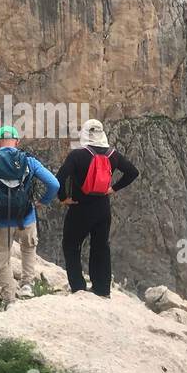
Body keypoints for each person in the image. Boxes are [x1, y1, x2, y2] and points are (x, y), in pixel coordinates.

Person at [0, 125, 59, 303]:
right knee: (28, 249)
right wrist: (42, 202)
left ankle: (10, 297)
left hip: (0, 221)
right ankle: (27, 285)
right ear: (17, 142)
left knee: (2, 259)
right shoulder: (29, 161)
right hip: (26, 216)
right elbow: (54, 184)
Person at [55, 119, 138, 297]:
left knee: (71, 245)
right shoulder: (112, 155)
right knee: (100, 247)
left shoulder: (77, 155)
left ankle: (78, 288)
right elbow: (132, 172)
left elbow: (59, 178)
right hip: (103, 208)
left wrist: (63, 198)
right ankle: (102, 289)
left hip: (79, 208)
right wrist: (113, 188)